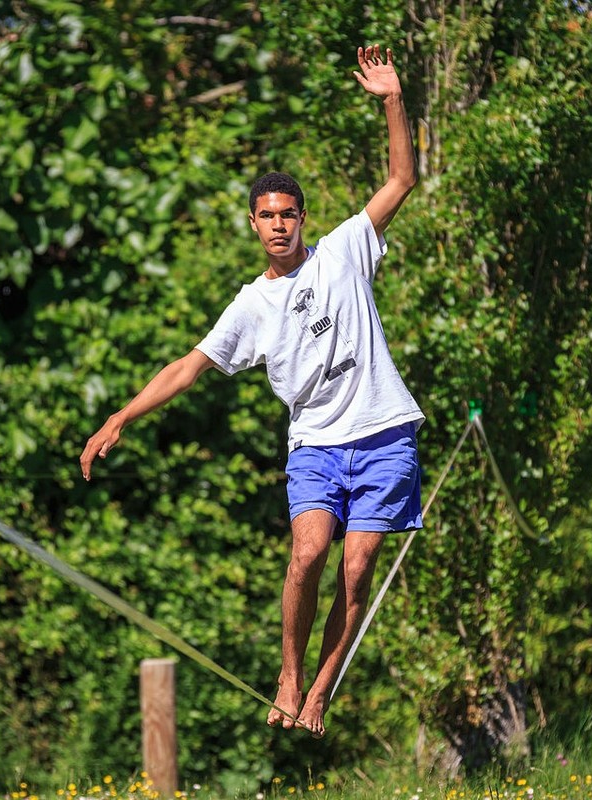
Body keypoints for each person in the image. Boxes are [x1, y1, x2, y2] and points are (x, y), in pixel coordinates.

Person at [80, 44, 423, 738]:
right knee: (309, 554)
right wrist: (121, 415)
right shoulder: (249, 307)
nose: (278, 224)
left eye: (288, 214)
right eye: (266, 215)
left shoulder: (345, 250)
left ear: (302, 218)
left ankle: (321, 689)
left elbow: (402, 179)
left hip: (385, 434)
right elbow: (188, 366)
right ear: (253, 223)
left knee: (356, 573)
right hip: (317, 446)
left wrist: (392, 100)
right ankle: (289, 674)